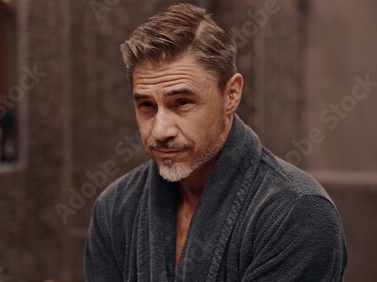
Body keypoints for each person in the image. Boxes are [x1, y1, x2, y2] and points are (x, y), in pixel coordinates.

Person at [85, 3, 347, 281]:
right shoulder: (115, 209)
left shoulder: (297, 213)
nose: (160, 131)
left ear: (231, 95)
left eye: (182, 102)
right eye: (147, 106)